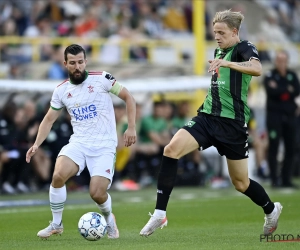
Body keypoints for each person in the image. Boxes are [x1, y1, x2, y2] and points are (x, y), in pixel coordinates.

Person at [139, 9, 282, 237]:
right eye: (214, 32)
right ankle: (159, 213)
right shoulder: (218, 50)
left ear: (234, 32)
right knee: (171, 149)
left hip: (232, 125)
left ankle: (271, 209)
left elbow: (257, 69)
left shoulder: (244, 48)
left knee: (241, 183)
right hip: (206, 118)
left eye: (221, 32)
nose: (216, 36)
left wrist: (227, 64)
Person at [26, 44, 137, 239]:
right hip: (79, 143)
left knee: (96, 193)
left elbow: (128, 97)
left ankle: (110, 219)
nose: (77, 67)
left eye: (80, 62)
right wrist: (36, 144)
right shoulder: (61, 91)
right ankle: (56, 224)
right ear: (65, 64)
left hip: (104, 146)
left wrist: (131, 127)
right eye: (72, 63)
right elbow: (49, 119)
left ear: (85, 62)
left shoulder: (102, 79)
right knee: (58, 175)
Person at [263, 50, 300, 188]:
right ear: (275, 61)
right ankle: (274, 179)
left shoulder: (292, 75)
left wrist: (280, 88)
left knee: (291, 148)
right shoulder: (269, 75)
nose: (281, 63)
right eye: (279, 60)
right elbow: (272, 91)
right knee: (274, 147)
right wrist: (286, 90)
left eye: (283, 60)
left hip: (290, 117)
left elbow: (296, 90)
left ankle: (286, 178)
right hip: (274, 118)